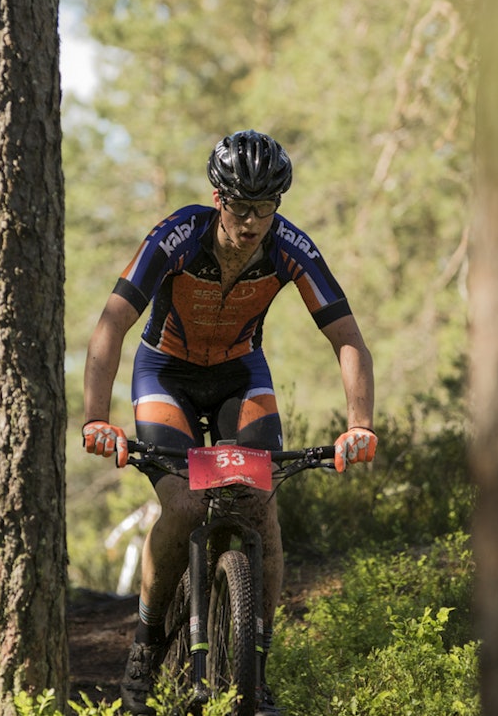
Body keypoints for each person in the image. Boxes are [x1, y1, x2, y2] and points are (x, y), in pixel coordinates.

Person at [82, 129, 377, 715]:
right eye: (241, 208)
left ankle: (254, 671)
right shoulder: (178, 235)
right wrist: (97, 418)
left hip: (241, 376)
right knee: (186, 504)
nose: (252, 223)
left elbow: (347, 337)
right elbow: (111, 323)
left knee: (260, 507)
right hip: (165, 373)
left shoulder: (289, 246)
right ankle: (146, 645)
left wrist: (360, 423)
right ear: (218, 198)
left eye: (265, 209)